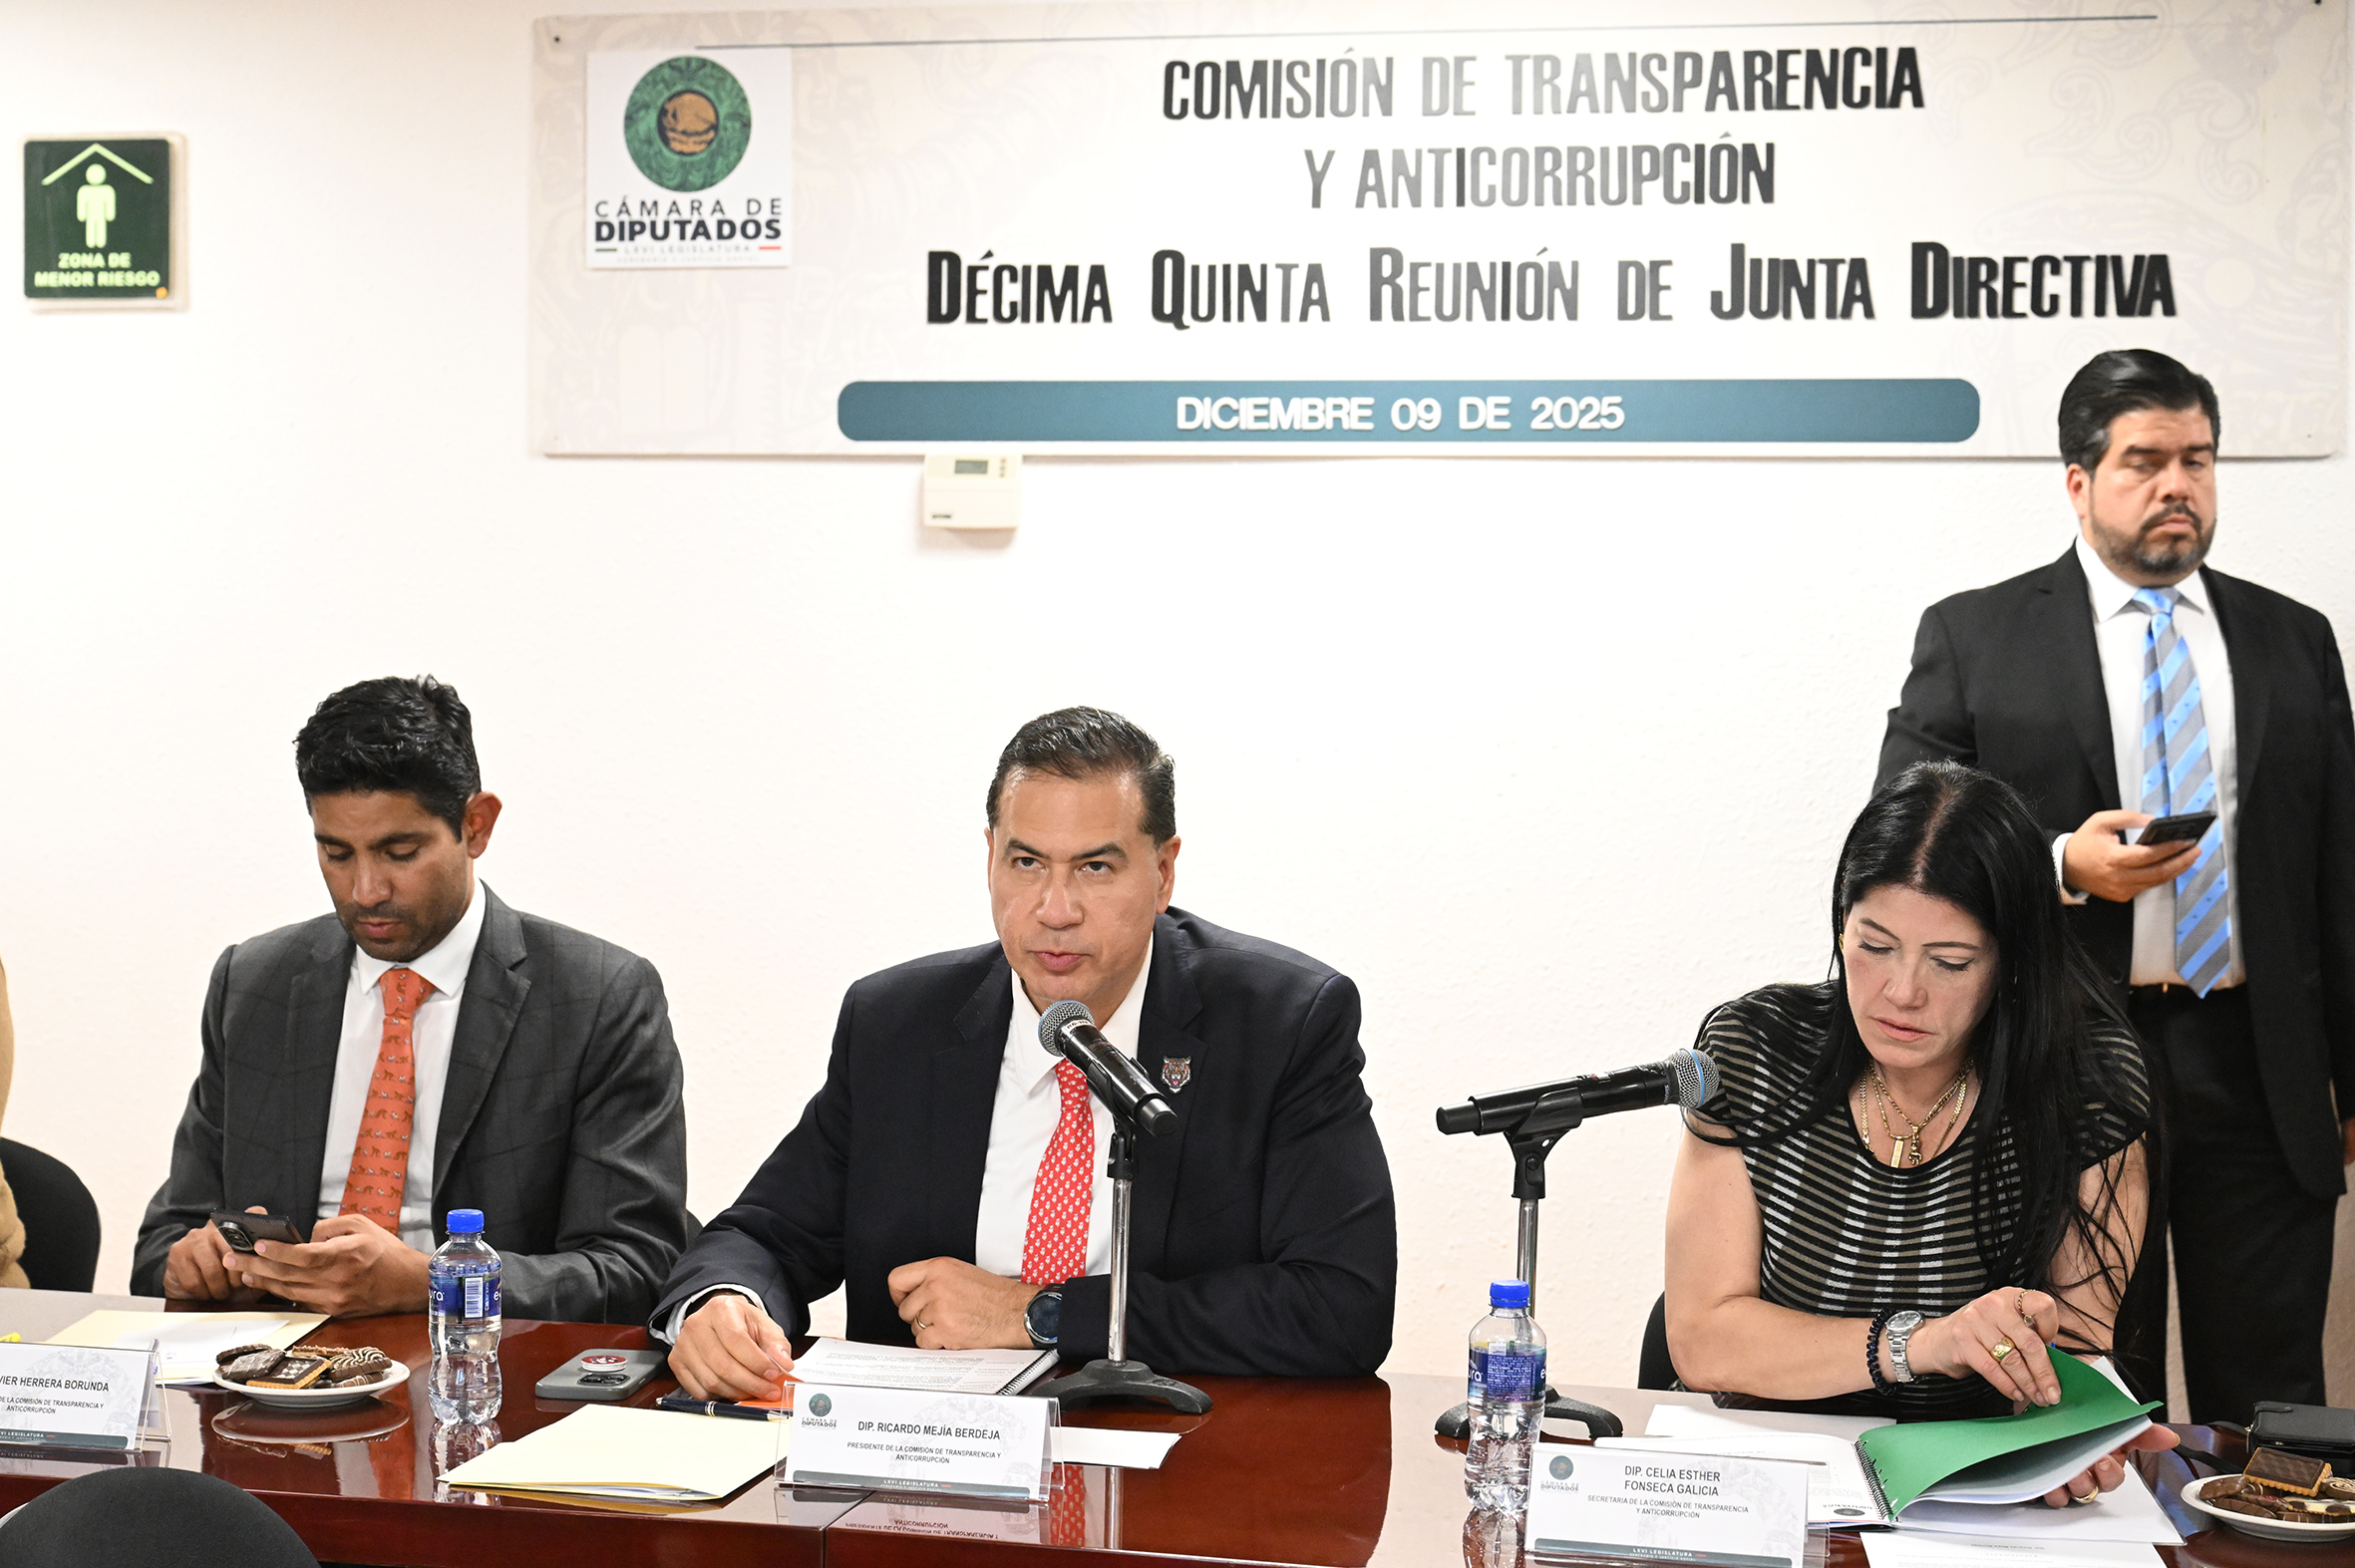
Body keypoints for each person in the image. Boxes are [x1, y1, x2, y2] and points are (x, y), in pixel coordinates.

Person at [1878, 349, 2355, 1421]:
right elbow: (1901, 841)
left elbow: (2338, 872)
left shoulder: (2294, 638)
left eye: (2197, 459)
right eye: (2145, 461)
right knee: (2086, 1382)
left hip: (2260, 1065)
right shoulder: (1976, 635)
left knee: (2271, 1394)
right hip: (2067, 1057)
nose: (2177, 484)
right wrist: (2057, 862)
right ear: (2078, 479)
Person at [654, 707, 1395, 1393]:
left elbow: (1342, 1305)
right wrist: (723, 1301)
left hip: (1177, 1458)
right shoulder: (896, 1026)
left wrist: (1039, 1312)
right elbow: (763, 1234)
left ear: (1163, 871)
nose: (1054, 909)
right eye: (1027, 863)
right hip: (926, 1463)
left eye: (1095, 868)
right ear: (990, 858)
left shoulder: (1281, 1024)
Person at [1666, 764, 2175, 1504]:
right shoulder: (1756, 1050)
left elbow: (2075, 1351)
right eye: (1874, 945)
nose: (1902, 992)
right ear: (1842, 925)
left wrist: (2070, 1442)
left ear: (2012, 963)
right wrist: (1922, 1343)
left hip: (1969, 1497)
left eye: (1950, 962)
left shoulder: (2085, 1081)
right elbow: (1704, 1339)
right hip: (1766, 1483)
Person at [132, 677, 688, 1323]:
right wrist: (191, 1265)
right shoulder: (254, 983)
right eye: (336, 853)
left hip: (485, 1367)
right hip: (280, 1363)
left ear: (476, 826)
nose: (365, 890)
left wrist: (433, 1282)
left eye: (400, 852)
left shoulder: (597, 996)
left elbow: (637, 1269)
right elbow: (162, 1243)